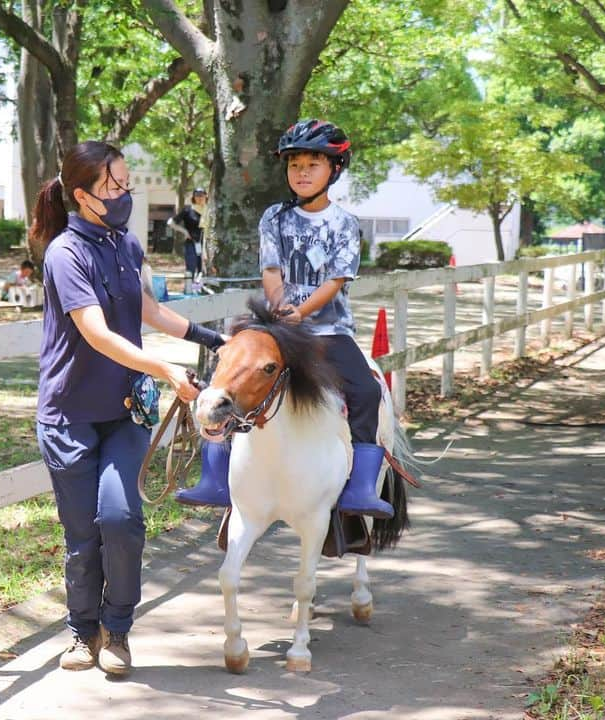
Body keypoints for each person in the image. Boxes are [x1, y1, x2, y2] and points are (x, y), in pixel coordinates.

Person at [30, 141, 224, 676]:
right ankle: (80, 632)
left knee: (120, 516)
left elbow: (147, 309)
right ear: (82, 195)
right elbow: (94, 332)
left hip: (124, 411)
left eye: (125, 183)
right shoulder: (66, 254)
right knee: (82, 533)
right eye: (113, 186)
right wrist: (164, 369)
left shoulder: (125, 245)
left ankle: (117, 630)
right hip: (68, 414)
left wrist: (212, 338)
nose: (123, 194)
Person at [176, 119, 391, 520]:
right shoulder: (274, 217)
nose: (303, 172)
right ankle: (215, 475)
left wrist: (302, 312)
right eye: (295, 165)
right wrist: (279, 309)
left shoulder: (344, 224)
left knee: (365, 392)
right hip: (277, 325)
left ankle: (361, 486)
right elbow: (272, 270)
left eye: (314, 164)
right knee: (229, 377)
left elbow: (336, 280)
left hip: (328, 330)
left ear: (334, 170)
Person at [169, 188, 207, 287]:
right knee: (190, 270)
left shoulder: (209, 211)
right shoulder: (188, 210)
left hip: (206, 246)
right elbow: (171, 222)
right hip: (192, 244)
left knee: (204, 270)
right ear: (193, 197)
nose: (200, 198)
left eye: (202, 195)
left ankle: (201, 291)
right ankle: (189, 291)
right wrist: (185, 232)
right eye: (197, 195)